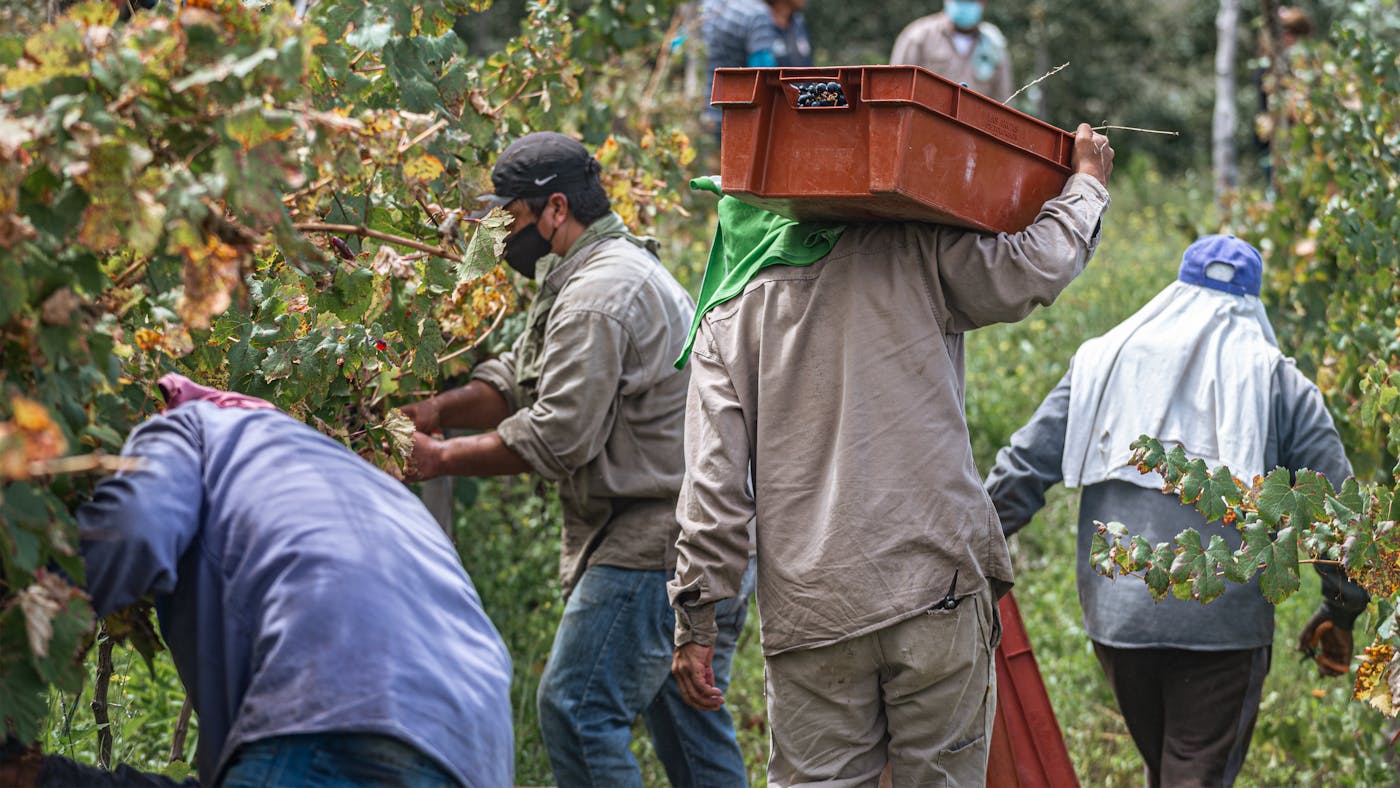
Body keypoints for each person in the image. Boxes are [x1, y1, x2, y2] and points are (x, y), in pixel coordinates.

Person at [667, 123, 1114, 785]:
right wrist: (1086, 187)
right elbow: (1034, 265)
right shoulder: (914, 249)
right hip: (936, 586)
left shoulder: (726, 314)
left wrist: (697, 616)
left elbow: (713, 488)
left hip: (813, 612)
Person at [402, 132, 751, 787]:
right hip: (692, 523)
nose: (504, 235)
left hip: (658, 538)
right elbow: (521, 377)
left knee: (576, 709)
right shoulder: (591, 270)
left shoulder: (600, 293)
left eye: (511, 218)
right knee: (687, 730)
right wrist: (441, 411)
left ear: (555, 209)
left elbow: (560, 435)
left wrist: (438, 458)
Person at [984, 234, 1369, 787]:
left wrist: (960, 564)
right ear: (1252, 303)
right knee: (1193, 772)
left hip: (1120, 622)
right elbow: (1343, 522)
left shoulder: (1103, 362)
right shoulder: (1279, 384)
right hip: (1222, 629)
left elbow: (1022, 469)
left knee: (1168, 766)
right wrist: (1342, 609)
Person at [31, 373, 514, 788]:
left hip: (333, 708)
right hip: (478, 749)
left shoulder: (191, 426)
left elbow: (134, 529)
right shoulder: (361, 485)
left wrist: (24, 614)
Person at [700, 0, 814, 132]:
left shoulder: (796, 22)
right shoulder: (757, 16)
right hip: (743, 122)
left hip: (718, 113)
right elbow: (766, 77)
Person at [890, 0, 1013, 102]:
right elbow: (895, 88)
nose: (965, 3)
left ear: (983, 2)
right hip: (922, 127)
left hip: (972, 130)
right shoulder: (918, 37)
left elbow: (1003, 100)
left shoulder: (994, 45)